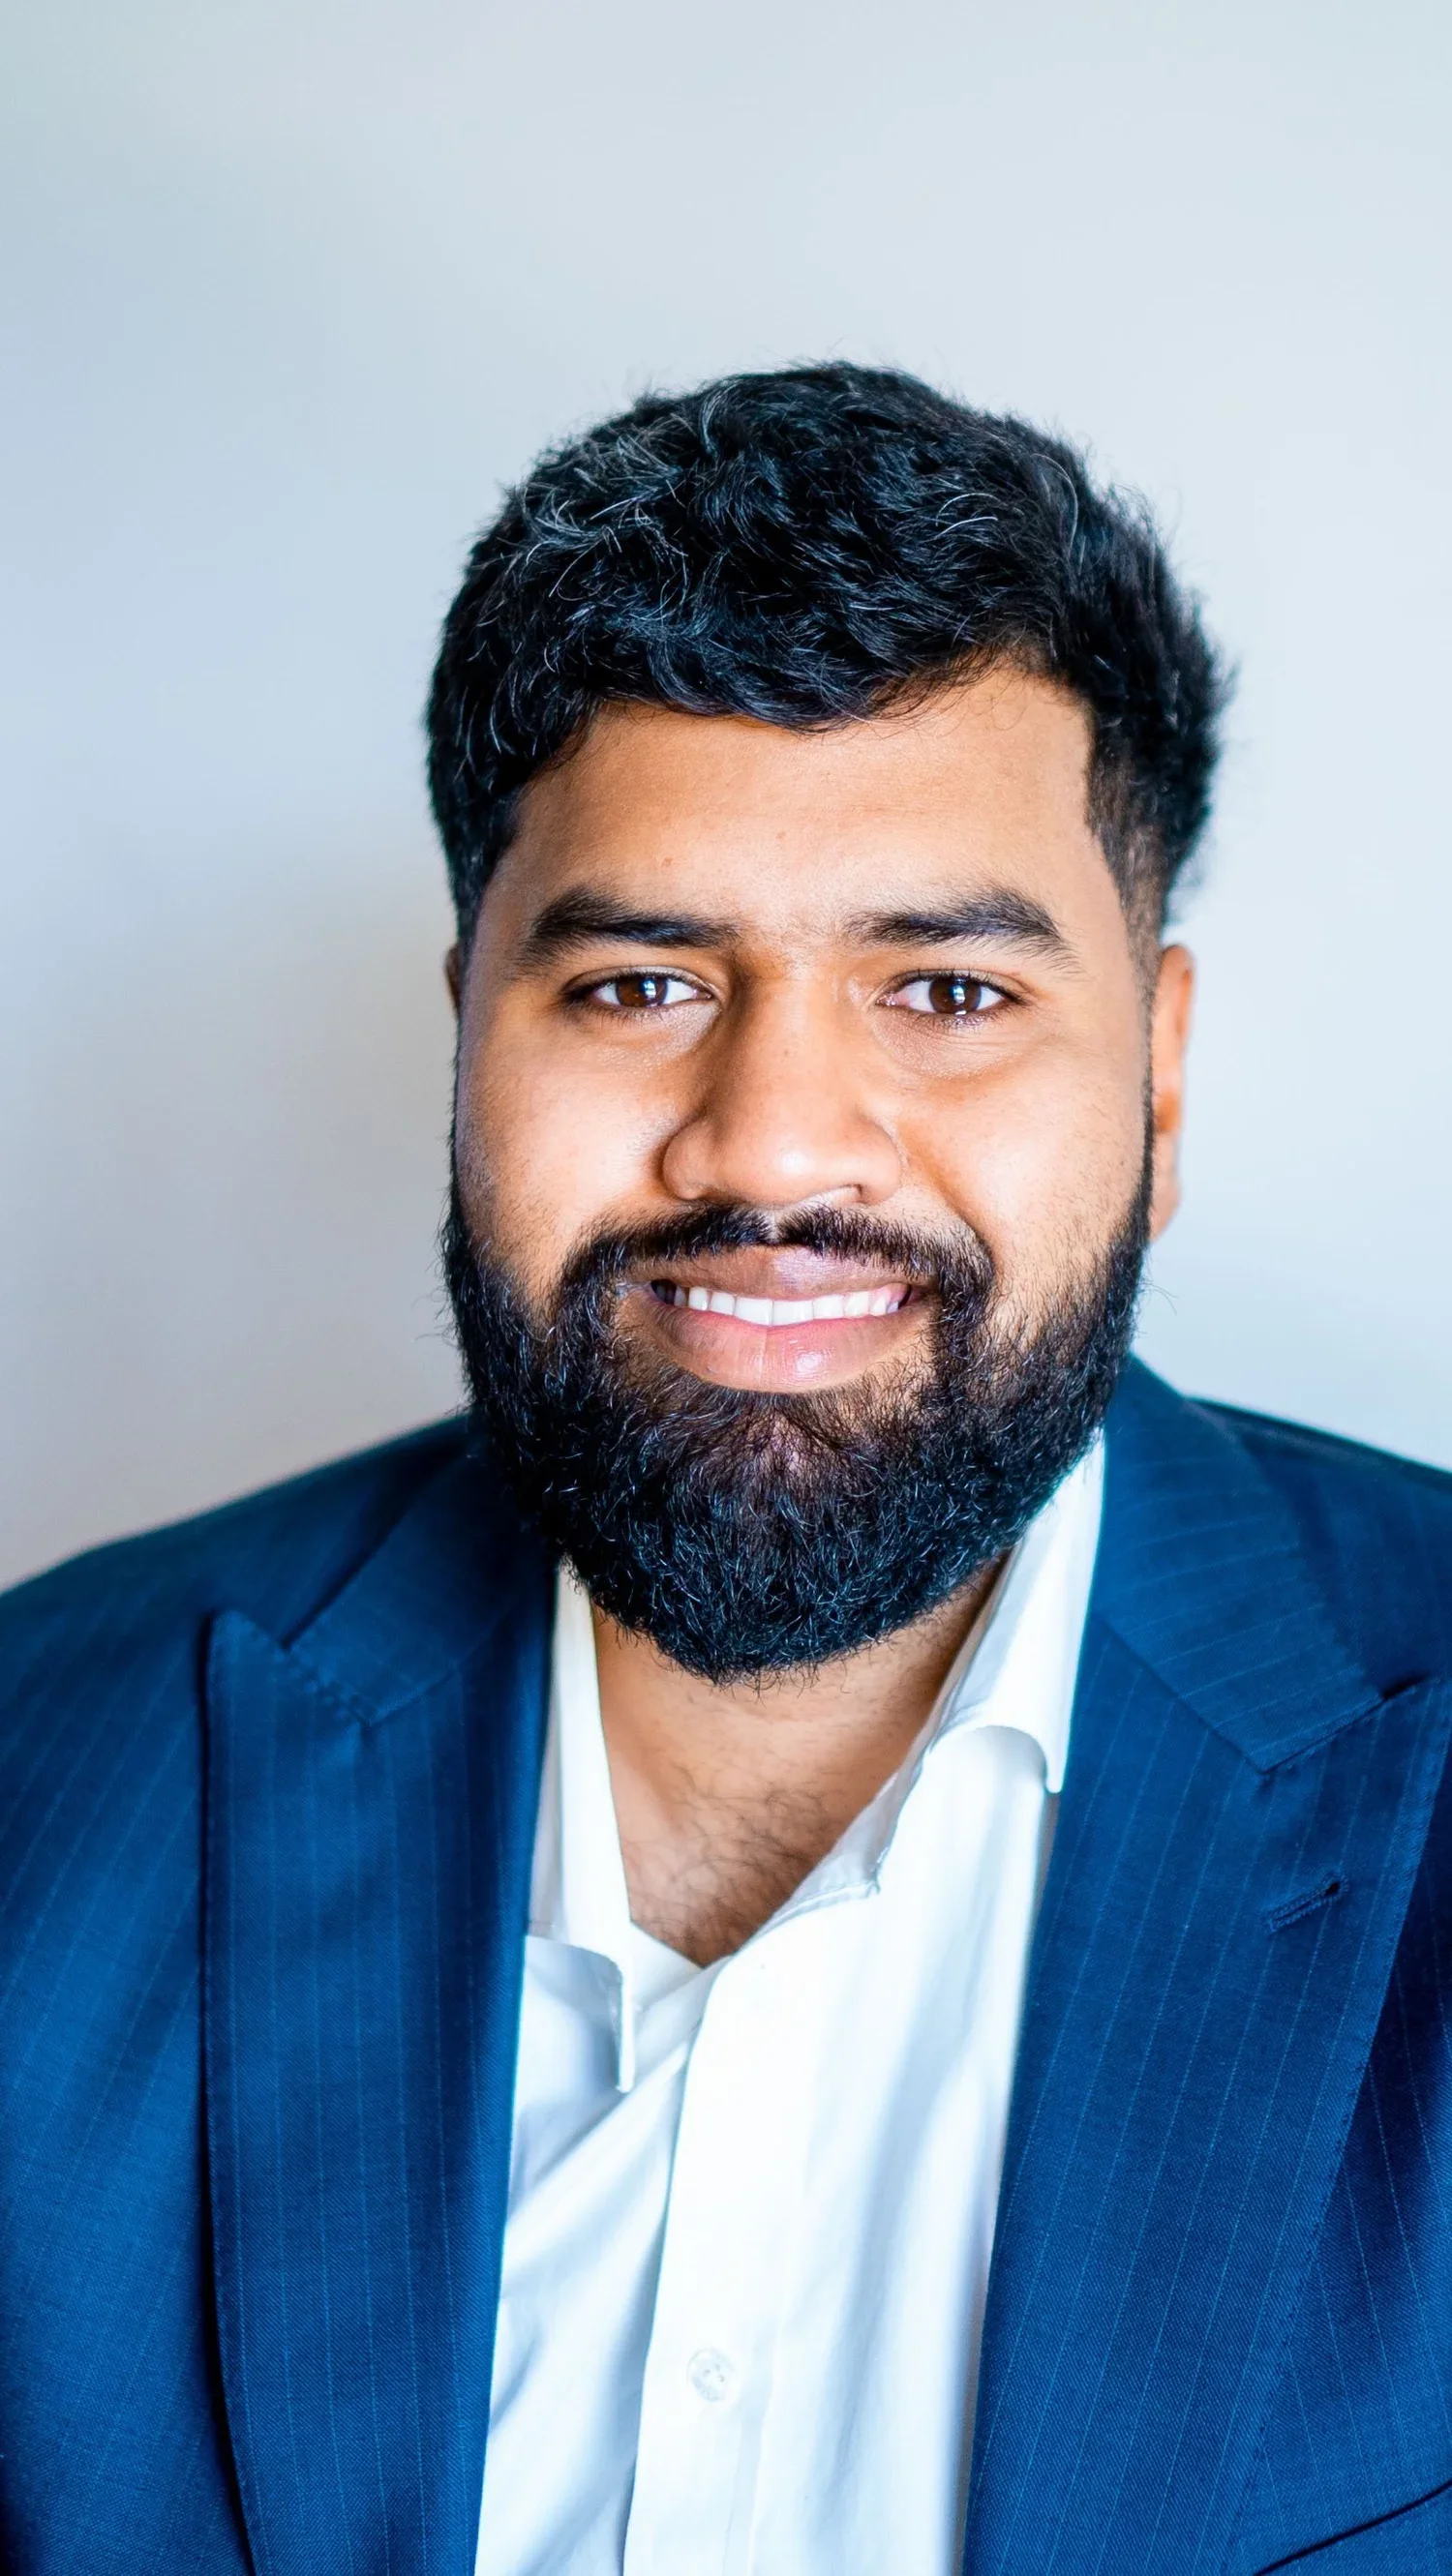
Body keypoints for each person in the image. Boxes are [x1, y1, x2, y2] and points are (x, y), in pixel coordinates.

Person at [2, 365, 1449, 2576]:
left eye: (948, 991)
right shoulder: (38, 1780)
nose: (773, 1140)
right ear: (464, 1028)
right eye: (640, 983)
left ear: (1157, 1076)